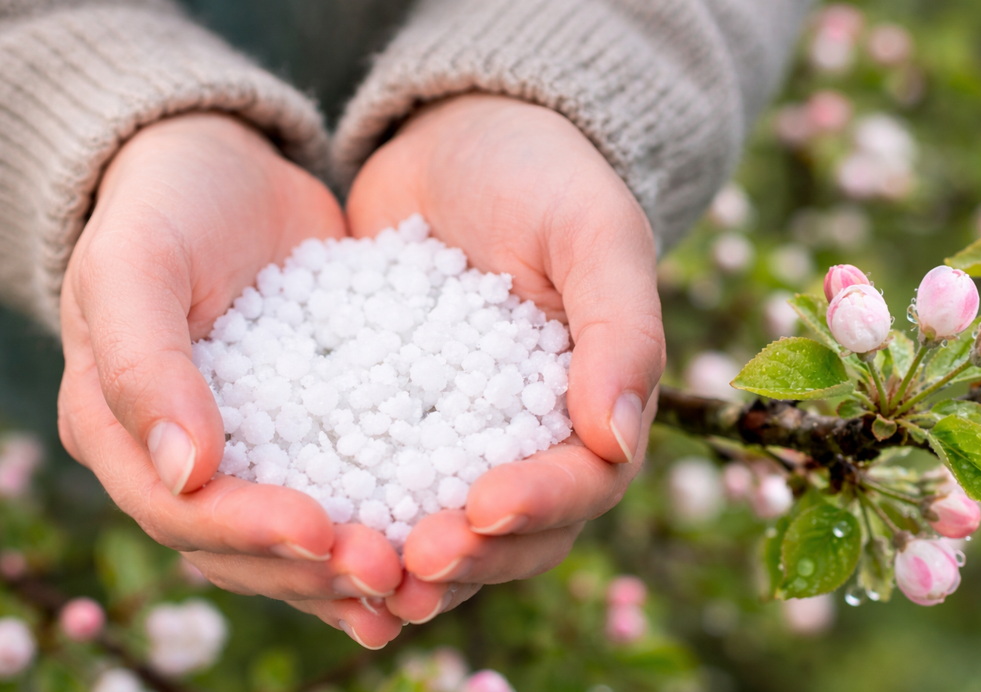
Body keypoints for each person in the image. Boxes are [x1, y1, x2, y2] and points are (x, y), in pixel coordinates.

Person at [0, 0, 807, 648]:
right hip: (67, 289)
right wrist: (82, 114)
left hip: (448, 111)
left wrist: (559, 78)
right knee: (126, 423)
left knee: (228, 514)